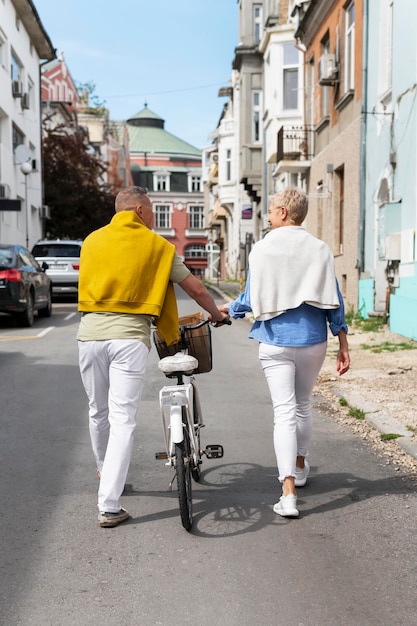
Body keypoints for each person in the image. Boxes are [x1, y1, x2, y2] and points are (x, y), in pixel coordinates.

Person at [77, 186, 229, 528]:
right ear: (142, 210)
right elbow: (197, 288)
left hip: (88, 335)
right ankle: (109, 504)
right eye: (151, 213)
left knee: (97, 410)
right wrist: (217, 316)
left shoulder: (91, 241)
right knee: (123, 419)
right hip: (128, 338)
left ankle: (106, 474)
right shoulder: (157, 246)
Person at [218, 187, 350, 518]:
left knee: (283, 412)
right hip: (312, 339)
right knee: (303, 404)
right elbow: (333, 296)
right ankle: (301, 465)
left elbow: (249, 298)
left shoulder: (262, 250)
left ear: (282, 213)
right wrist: (343, 341)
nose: (267, 215)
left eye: (271, 209)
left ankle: (288, 492)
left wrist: (226, 310)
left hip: (275, 340)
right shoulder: (320, 249)